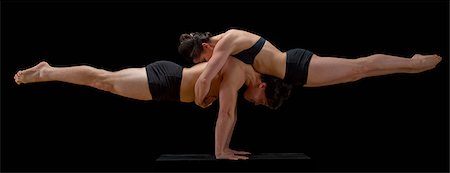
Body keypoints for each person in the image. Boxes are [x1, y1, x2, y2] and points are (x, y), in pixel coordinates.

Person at [14, 57, 293, 160]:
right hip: (166, 81)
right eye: (262, 102)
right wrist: (222, 152)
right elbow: (227, 114)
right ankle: (47, 72)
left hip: (167, 83)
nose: (256, 103)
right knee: (104, 80)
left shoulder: (239, 72)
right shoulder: (239, 73)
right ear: (264, 87)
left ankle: (48, 72)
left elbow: (218, 105)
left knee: (105, 80)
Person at [178, 28, 443, 107]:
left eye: (202, 59)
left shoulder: (227, 42)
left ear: (206, 48)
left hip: (296, 64)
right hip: (295, 71)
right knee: (357, 74)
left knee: (358, 67)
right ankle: (410, 66)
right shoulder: (225, 43)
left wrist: (201, 101)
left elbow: (204, 81)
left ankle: (412, 62)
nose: (205, 64)